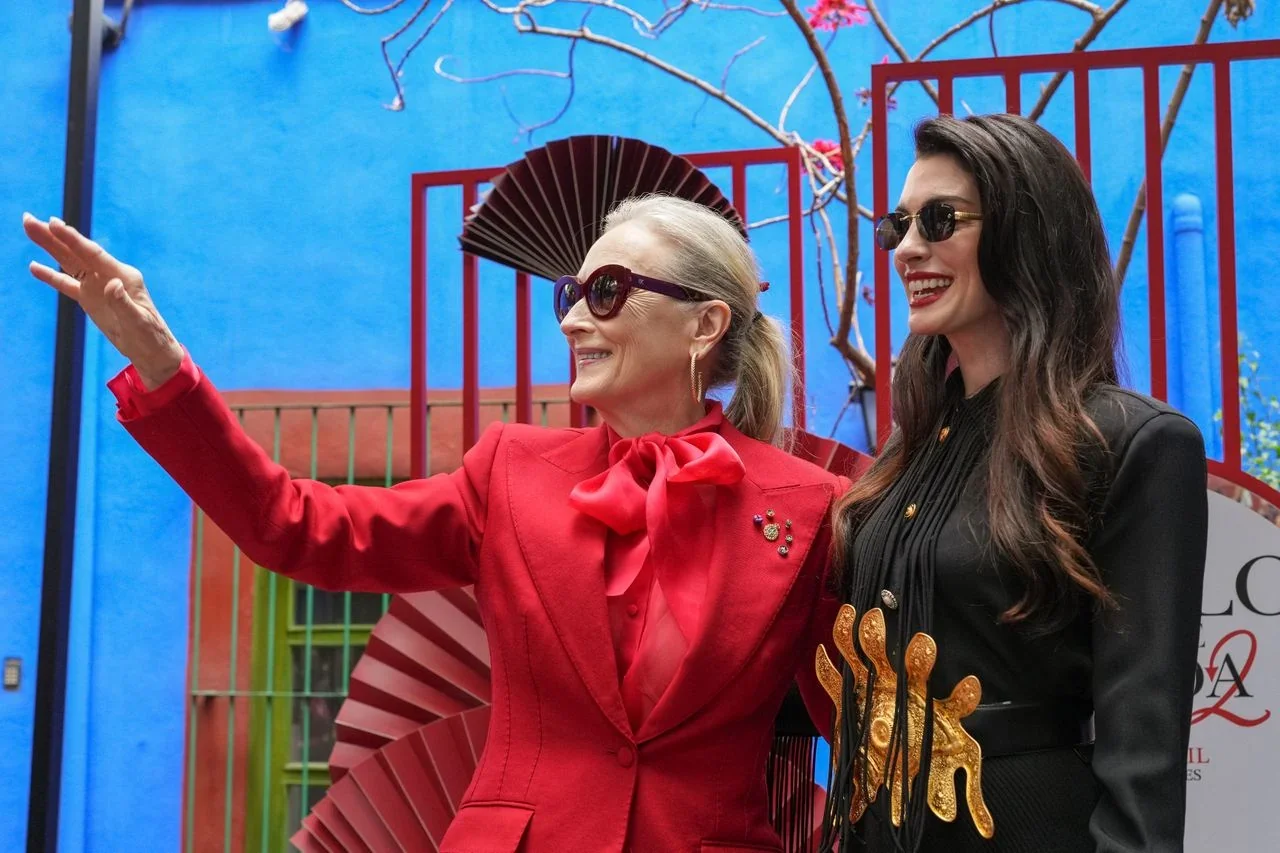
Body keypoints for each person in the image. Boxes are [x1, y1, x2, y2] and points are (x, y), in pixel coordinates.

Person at [24, 194, 860, 853]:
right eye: (571, 295)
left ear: (705, 323)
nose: (572, 319)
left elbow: (872, 733)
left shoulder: (806, 509)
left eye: (605, 293)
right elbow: (294, 524)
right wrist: (164, 367)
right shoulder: (509, 471)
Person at [816, 114, 1208, 853]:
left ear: (1028, 230)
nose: (907, 248)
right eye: (898, 223)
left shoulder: (1131, 443)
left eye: (940, 219)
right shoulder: (908, 448)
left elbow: (1144, 747)